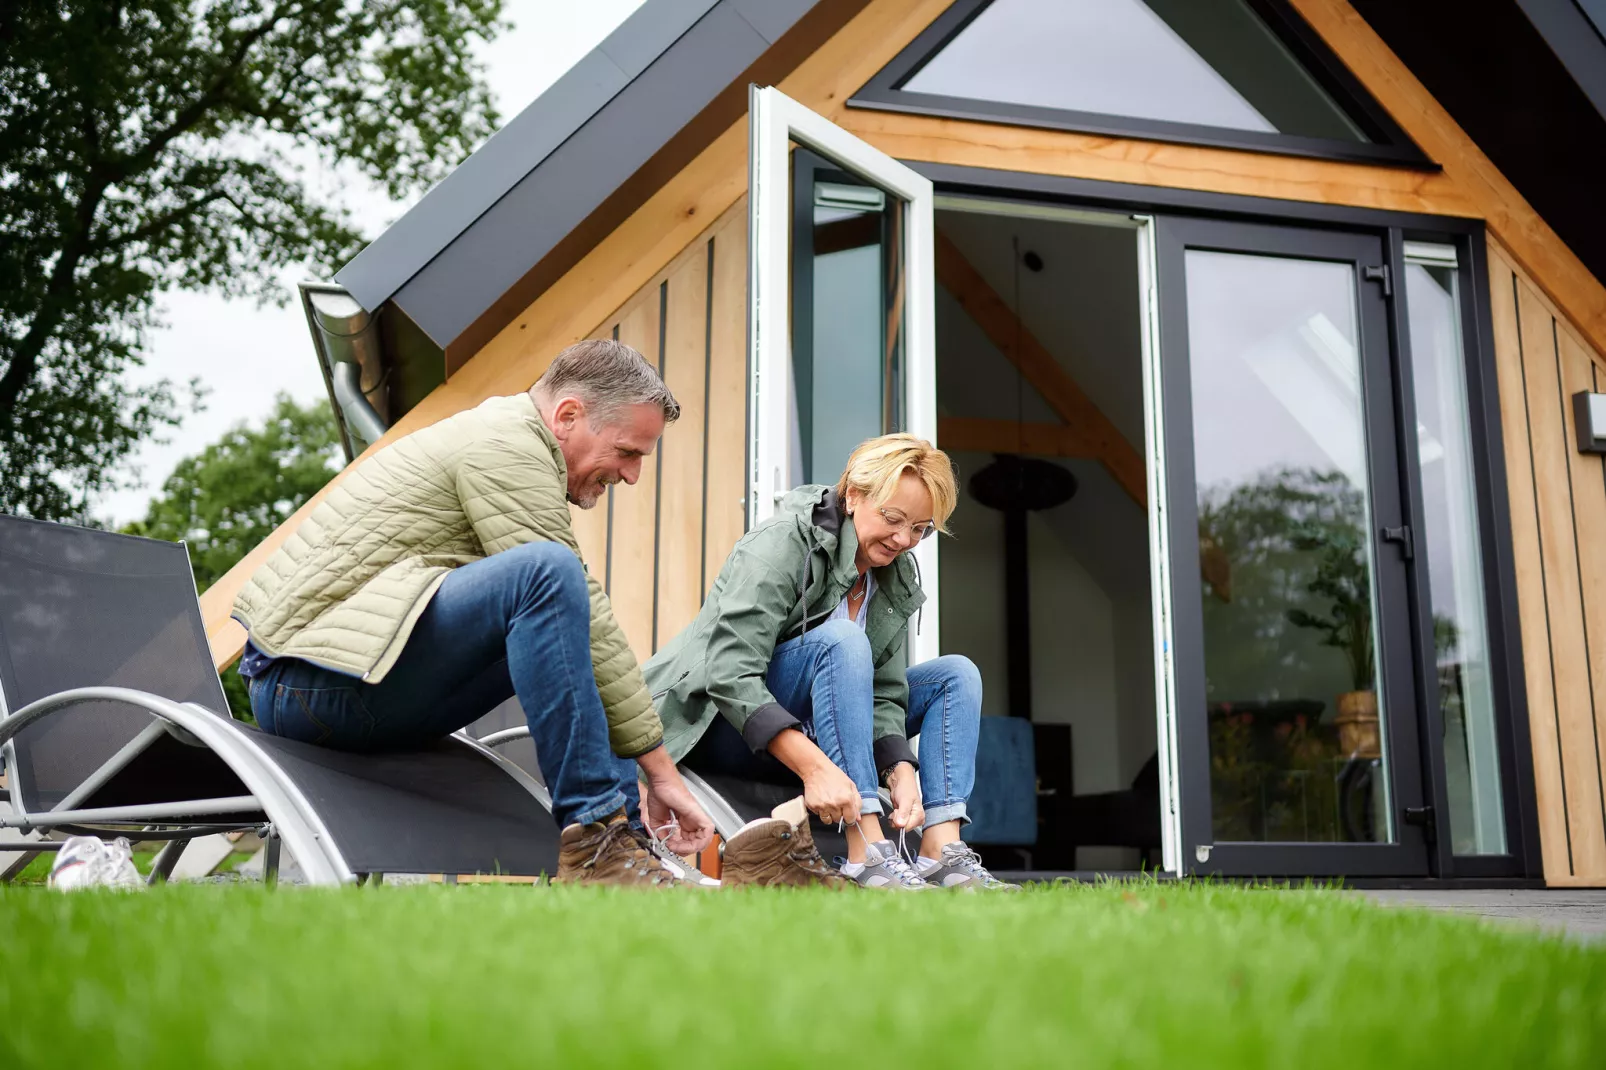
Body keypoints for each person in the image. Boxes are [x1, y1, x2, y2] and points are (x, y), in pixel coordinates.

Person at [231, 339, 714, 886]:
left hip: (356, 679)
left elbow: (582, 638)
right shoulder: (504, 443)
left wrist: (646, 776)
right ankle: (598, 838)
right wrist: (661, 769)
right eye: (628, 452)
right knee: (548, 576)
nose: (631, 476)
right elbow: (577, 605)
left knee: (563, 615)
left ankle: (626, 848)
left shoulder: (512, 442)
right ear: (568, 415)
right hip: (307, 687)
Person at [646, 434, 1017, 890]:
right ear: (854, 495)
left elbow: (884, 692)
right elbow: (731, 673)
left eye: (921, 529)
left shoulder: (893, 572)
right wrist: (816, 769)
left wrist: (901, 770)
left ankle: (941, 850)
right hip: (717, 723)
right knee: (841, 640)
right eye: (893, 518)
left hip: (821, 727)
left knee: (955, 675)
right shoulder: (780, 544)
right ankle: (867, 852)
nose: (904, 540)